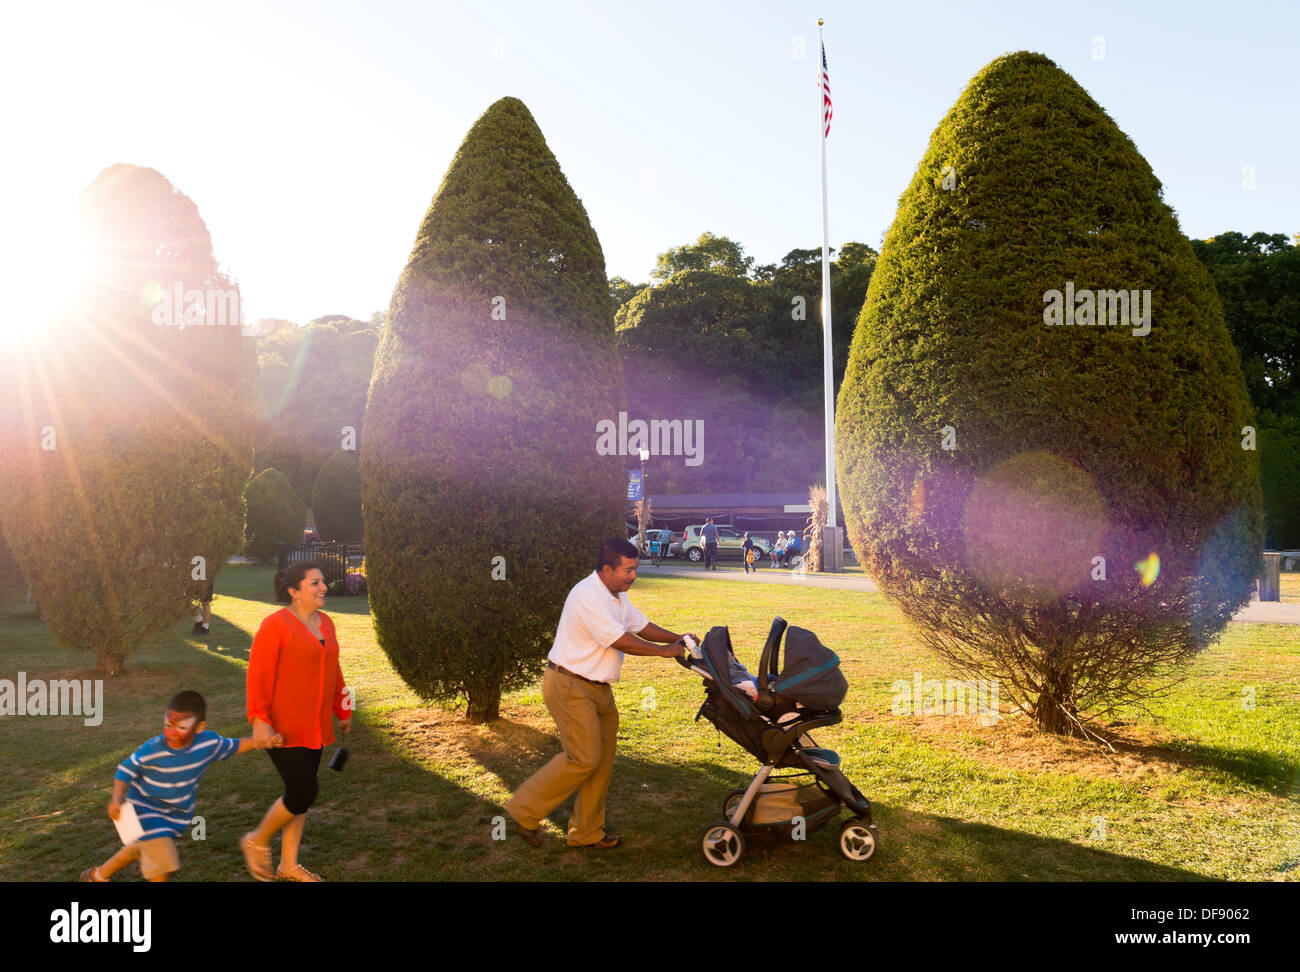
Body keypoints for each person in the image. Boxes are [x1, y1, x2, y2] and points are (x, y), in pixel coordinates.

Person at [505, 539, 695, 849]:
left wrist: (679, 638)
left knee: (601, 763)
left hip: (599, 690)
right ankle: (523, 810)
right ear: (606, 569)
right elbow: (622, 641)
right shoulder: (588, 596)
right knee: (583, 758)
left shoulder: (616, 595)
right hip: (570, 685)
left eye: (635, 569)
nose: (633, 575)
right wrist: (665, 652)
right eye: (628, 570)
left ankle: (586, 832)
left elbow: (641, 626)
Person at [81, 690, 278, 883]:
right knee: (162, 857)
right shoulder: (153, 748)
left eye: (182, 728)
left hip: (175, 814)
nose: (172, 733)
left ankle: (97, 875)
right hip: (143, 807)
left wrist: (263, 741)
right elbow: (125, 770)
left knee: (143, 847)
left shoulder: (208, 744)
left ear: (199, 727)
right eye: (168, 725)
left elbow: (235, 745)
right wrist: (116, 798)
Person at [240, 562, 352, 882]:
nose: (323, 588)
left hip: (315, 725)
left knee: (297, 793)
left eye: (323, 582)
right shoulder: (275, 625)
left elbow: (334, 667)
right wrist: (259, 719)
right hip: (282, 727)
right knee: (304, 790)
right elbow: (258, 675)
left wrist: (343, 708)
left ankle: (288, 865)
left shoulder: (326, 623)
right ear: (294, 592)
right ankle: (256, 839)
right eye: (314, 583)